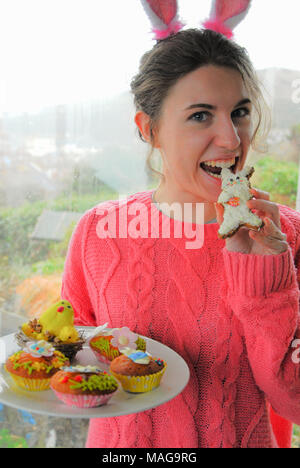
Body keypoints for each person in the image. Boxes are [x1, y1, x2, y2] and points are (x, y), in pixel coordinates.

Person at [61, 28, 300, 448]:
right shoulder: (99, 231)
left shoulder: (285, 237)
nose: (231, 139)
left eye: (240, 112)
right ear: (149, 129)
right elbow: (72, 362)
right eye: (200, 115)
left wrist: (266, 281)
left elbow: (294, 403)